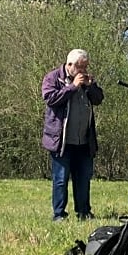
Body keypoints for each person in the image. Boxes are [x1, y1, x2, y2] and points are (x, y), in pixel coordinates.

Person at [41, 49, 104, 222]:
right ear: (69, 65)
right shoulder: (53, 78)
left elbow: (99, 99)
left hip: (84, 141)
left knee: (83, 179)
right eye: (80, 67)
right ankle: (59, 214)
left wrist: (90, 87)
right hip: (61, 141)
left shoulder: (87, 81)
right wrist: (72, 87)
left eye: (86, 67)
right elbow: (50, 99)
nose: (83, 70)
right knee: (60, 180)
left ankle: (84, 211)